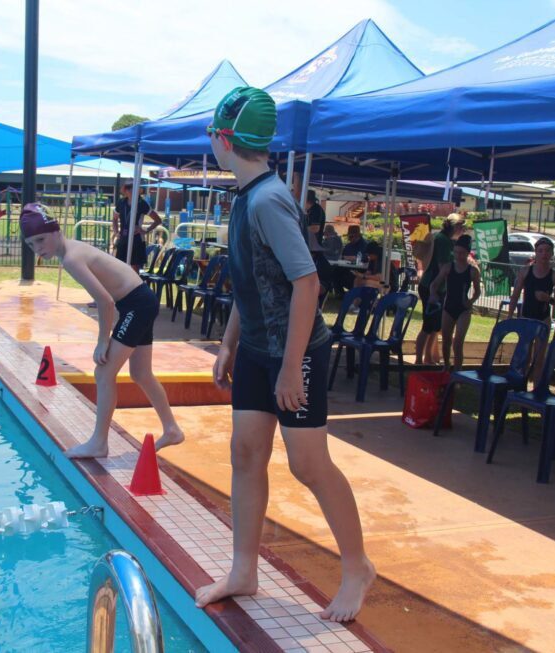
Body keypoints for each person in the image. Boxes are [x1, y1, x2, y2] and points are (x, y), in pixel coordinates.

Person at [194, 86, 374, 623]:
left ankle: (358, 566)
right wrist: (228, 342)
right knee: (246, 452)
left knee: (308, 464)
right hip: (256, 347)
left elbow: (307, 284)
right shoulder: (245, 196)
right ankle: (243, 569)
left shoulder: (269, 199)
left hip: (296, 351)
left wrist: (292, 366)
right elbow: (254, 280)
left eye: (212, 136)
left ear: (225, 140)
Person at [20, 203, 184, 458]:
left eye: (40, 239)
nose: (38, 248)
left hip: (136, 305)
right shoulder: (70, 251)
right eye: (31, 245)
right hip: (140, 300)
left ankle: (99, 443)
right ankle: (172, 429)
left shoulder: (72, 259)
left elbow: (105, 301)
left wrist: (102, 341)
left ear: (55, 230)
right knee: (141, 373)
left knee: (104, 372)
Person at [507, 237, 555, 385]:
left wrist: (548, 298)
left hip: (543, 319)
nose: (544, 254)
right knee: (525, 357)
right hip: (526, 318)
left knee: (539, 358)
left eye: (547, 251)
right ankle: (520, 386)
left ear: (551, 254)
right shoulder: (526, 271)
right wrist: (510, 315)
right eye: (541, 251)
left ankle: (536, 389)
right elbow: (515, 294)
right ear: (536, 253)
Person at [415, 214, 465, 365]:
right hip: (432, 287)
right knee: (429, 325)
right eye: (462, 227)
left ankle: (428, 357)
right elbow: (443, 266)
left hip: (435, 286)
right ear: (455, 226)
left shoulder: (443, 239)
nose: (463, 230)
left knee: (435, 326)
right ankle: (419, 359)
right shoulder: (443, 241)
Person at [429, 235, 481, 372]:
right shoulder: (448, 267)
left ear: (467, 253)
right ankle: (446, 366)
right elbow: (434, 284)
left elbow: (477, 292)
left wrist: (471, 302)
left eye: (462, 253)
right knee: (446, 341)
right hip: (448, 307)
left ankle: (457, 372)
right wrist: (433, 295)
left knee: (458, 343)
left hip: (463, 309)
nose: (458, 256)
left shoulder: (473, 271)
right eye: (456, 252)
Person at [112, 182, 162, 272]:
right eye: (128, 188)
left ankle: (135, 285)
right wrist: (116, 232)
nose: (130, 190)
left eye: (133, 188)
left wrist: (145, 230)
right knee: (120, 265)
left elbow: (158, 220)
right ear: (125, 190)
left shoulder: (142, 203)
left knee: (134, 267)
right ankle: (122, 285)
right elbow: (114, 219)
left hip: (137, 239)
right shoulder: (121, 202)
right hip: (123, 238)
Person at [332, 224, 365, 296]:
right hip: (347, 269)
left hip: (358, 270)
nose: (349, 239)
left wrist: (344, 257)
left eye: (351, 237)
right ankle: (340, 294)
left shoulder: (364, 245)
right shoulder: (348, 246)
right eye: (349, 237)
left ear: (357, 236)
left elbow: (357, 258)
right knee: (335, 271)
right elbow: (341, 255)